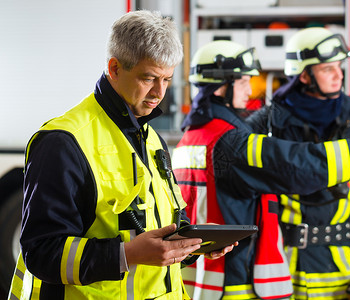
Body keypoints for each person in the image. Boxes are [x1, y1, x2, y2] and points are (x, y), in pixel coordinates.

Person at [8, 10, 234, 300]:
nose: (158, 93)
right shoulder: (63, 142)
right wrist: (126, 254)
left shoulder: (151, 138)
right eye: (149, 78)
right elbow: (41, 253)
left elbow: (158, 230)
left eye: (167, 79)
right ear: (114, 68)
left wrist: (194, 242)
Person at [171, 40, 350, 300]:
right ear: (220, 88)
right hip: (238, 280)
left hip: (204, 280)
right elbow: (295, 166)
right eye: (244, 82)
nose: (252, 91)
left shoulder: (191, 137)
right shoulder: (236, 139)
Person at [246, 27, 350, 299]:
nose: (339, 75)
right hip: (280, 261)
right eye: (328, 69)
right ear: (304, 75)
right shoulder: (267, 122)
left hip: (340, 263)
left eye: (340, 66)